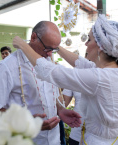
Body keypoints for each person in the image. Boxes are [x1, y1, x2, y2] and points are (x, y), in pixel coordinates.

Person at [13, 15, 118, 145]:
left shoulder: (101, 77)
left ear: (100, 47)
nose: (85, 43)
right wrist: (54, 46)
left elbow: (52, 72)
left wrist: (23, 45)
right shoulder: (109, 71)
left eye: (89, 40)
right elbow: (80, 63)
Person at [0, 21, 81, 145]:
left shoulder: (48, 61)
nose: (50, 54)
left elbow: (50, 95)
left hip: (54, 141)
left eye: (53, 50)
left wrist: (60, 110)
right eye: (48, 48)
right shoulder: (8, 66)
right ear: (33, 37)